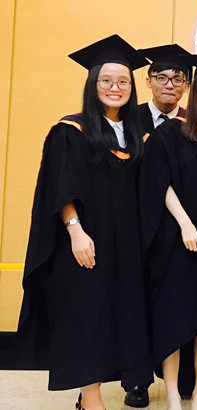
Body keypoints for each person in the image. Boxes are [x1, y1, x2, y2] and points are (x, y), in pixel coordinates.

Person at [16, 34, 151, 410]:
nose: (115, 88)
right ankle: (93, 401)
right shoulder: (71, 130)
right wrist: (76, 231)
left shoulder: (138, 135)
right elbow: (61, 187)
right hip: (87, 242)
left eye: (123, 81)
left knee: (119, 317)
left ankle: (92, 394)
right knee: (87, 319)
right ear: (92, 85)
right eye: (106, 80)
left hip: (126, 244)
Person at [124, 43, 197, 408]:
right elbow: (159, 181)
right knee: (166, 312)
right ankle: (155, 387)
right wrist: (185, 223)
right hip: (165, 233)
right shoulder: (162, 129)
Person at [136, 44, 191, 135]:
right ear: (149, 82)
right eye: (161, 78)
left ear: (186, 86)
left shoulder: (191, 122)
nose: (169, 85)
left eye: (177, 80)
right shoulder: (131, 118)